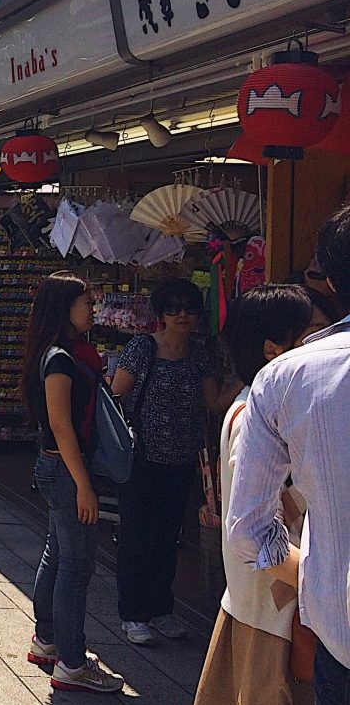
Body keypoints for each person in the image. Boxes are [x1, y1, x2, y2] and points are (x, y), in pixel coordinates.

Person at [229, 206, 350, 705]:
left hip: (340, 631)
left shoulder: (286, 378)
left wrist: (318, 574)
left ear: (329, 277)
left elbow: (250, 529)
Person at [190, 284, 325, 705]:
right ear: (275, 348)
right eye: (312, 332)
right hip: (281, 604)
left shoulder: (256, 403)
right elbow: (261, 525)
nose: (324, 341)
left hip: (268, 598)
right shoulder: (262, 413)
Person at [19, 272, 124, 693]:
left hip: (56, 467)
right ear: (66, 308)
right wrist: (84, 484)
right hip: (66, 469)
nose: (92, 310)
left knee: (58, 554)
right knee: (76, 566)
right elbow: (62, 425)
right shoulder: (60, 358)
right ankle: (72, 662)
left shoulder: (54, 353)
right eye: (86, 303)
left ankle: (48, 641)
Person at [110, 277, 219, 646]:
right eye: (173, 308)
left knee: (167, 536)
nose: (181, 315)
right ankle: (134, 613)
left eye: (188, 308)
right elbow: (115, 394)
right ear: (161, 314)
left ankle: (161, 608)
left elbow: (213, 401)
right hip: (140, 457)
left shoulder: (198, 353)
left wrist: (250, 376)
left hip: (181, 458)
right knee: (137, 536)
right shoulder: (143, 348)